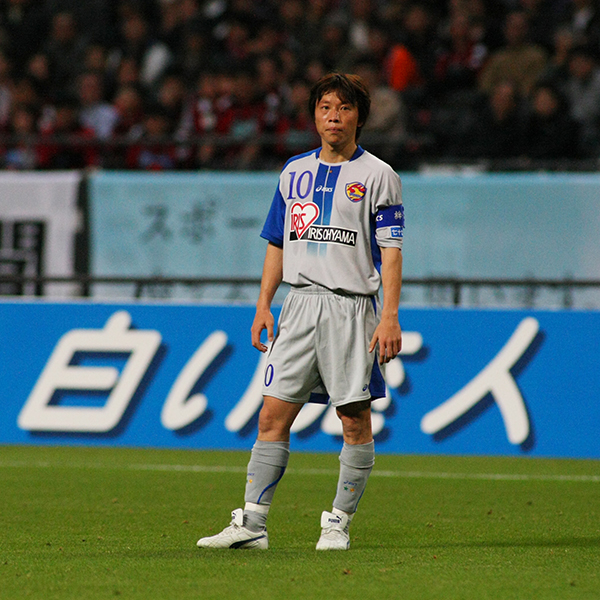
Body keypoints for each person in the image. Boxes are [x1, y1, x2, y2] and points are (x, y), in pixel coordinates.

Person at [196, 72, 405, 551]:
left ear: (359, 117)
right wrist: (263, 305)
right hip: (298, 305)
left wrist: (390, 316)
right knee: (271, 415)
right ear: (314, 115)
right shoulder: (293, 172)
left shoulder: (380, 175)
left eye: (344, 108)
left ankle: (338, 524)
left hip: (351, 308)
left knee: (353, 419)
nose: (334, 117)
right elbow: (277, 242)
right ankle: (253, 524)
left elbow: (391, 252)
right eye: (325, 107)